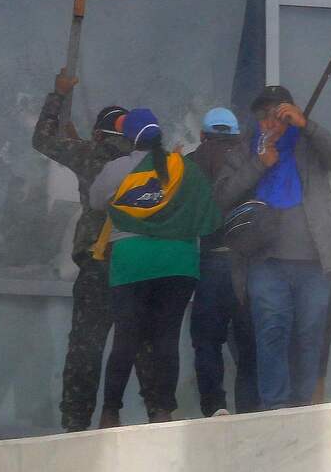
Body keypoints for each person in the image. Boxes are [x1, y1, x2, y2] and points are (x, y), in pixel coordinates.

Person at [225, 85, 331, 410]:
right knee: (271, 331)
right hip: (264, 260)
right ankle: (275, 406)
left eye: (276, 114)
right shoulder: (245, 149)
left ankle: (302, 404)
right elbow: (221, 197)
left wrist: (306, 124)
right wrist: (258, 164)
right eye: (263, 117)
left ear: (289, 112)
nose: (270, 123)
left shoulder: (309, 143)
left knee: (311, 334)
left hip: (315, 261)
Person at [90, 109, 221, 426]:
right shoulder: (184, 168)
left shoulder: (118, 168)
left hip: (132, 261)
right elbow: (208, 210)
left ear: (128, 138)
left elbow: (96, 202)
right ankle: (163, 410)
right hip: (178, 263)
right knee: (166, 338)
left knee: (126, 337)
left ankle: (110, 412)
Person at [31, 69, 145, 432]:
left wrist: (58, 95)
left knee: (86, 346)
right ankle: (153, 414)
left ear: (99, 134)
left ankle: (76, 422)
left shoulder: (88, 154)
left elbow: (43, 139)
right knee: (140, 346)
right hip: (139, 265)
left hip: (99, 263)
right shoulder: (146, 159)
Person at [187, 107, 259, 416]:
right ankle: (249, 408)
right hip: (248, 264)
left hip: (209, 263)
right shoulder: (252, 162)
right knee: (249, 343)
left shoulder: (189, 163)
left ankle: (214, 408)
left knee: (206, 341)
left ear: (203, 135)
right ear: (236, 135)